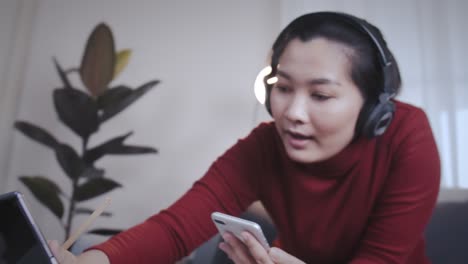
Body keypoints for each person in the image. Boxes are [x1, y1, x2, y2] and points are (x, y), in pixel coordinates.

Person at [49, 11, 440, 264]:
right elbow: (176, 228)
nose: (292, 112)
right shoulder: (266, 145)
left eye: (320, 95)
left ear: (375, 108)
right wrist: (92, 261)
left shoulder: (408, 136)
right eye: (283, 87)